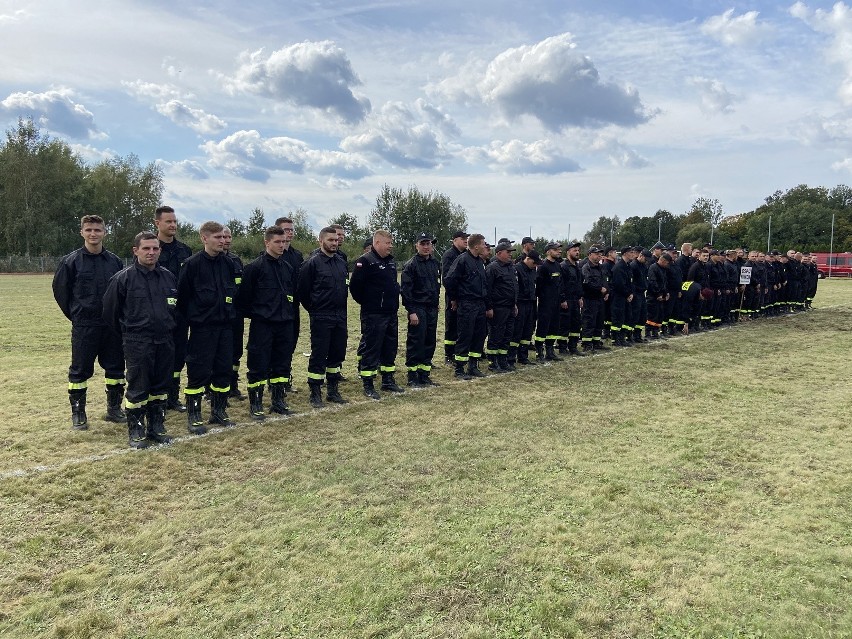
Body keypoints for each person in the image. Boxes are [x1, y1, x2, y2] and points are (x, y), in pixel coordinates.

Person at [102, 231, 177, 448]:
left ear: (160, 251)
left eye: (155, 248)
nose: (151, 252)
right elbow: (110, 314)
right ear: (135, 251)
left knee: (161, 386)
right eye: (146, 248)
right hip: (137, 341)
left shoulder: (168, 277)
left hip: (165, 340)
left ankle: (157, 426)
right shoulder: (122, 279)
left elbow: (174, 309)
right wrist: (130, 334)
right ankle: (136, 430)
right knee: (138, 387)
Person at [53, 214, 126, 430]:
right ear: (82, 232)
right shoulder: (70, 262)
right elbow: (61, 292)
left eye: (97, 230)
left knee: (115, 369)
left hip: (111, 327)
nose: (93, 234)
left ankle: (114, 409)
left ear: (105, 232)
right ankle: (78, 414)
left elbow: (121, 292)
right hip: (84, 326)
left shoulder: (114, 261)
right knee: (79, 370)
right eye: (89, 230)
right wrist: (77, 315)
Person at [177, 221, 241, 433]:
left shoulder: (229, 263)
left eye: (224, 237)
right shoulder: (192, 265)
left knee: (223, 370)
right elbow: (183, 298)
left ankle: (219, 411)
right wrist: (195, 319)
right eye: (218, 238)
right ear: (204, 239)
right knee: (198, 371)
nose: (223, 241)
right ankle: (194, 415)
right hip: (202, 329)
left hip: (225, 327)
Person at [238, 226, 304, 421]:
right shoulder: (254, 268)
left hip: (285, 324)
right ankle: (256, 404)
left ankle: (278, 401)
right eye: (278, 242)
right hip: (263, 325)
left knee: (282, 364)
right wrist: (261, 314)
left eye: (284, 242)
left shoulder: (288, 267)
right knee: (258, 365)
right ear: (267, 243)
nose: (282, 245)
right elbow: (244, 300)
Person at [296, 227, 350, 408]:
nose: (334, 243)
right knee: (319, 355)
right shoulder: (312, 263)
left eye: (336, 240)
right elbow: (303, 292)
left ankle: (333, 390)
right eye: (330, 240)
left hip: (340, 316)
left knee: (337, 354)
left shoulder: (341, 262)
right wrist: (315, 309)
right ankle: (315, 392)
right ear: (320, 241)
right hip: (321, 316)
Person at [349, 229, 403, 399]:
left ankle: (388, 380)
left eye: (391, 243)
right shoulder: (365, 261)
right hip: (373, 314)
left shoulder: (391, 262)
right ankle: (368, 383)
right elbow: (355, 288)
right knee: (372, 348)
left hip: (390, 313)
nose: (391, 246)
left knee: (390, 347)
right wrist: (369, 303)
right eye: (388, 243)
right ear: (377, 243)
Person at [154, 205, 193, 413]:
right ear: (157, 223)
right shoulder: (150, 248)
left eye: (175, 221)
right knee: (159, 356)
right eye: (168, 221)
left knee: (178, 356)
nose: (173, 225)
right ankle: (158, 396)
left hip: (180, 314)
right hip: (157, 313)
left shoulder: (184, 251)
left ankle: (173, 397)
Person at [443, 233, 491, 379]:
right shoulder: (462, 260)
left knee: (479, 336)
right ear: (476, 246)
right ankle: (459, 369)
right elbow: (449, 280)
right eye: (483, 244)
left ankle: (473, 366)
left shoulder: (479, 261)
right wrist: (454, 298)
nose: (485, 246)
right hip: (467, 304)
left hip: (480, 304)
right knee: (465, 336)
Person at [400, 232, 441, 387]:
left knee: (430, 341)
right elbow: (406, 291)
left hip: (431, 308)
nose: (426, 247)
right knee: (416, 341)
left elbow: (436, 286)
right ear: (416, 245)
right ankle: (412, 376)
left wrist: (436, 302)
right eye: (422, 244)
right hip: (417, 308)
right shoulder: (410, 265)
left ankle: (424, 374)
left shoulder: (435, 264)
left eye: (428, 244)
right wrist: (411, 311)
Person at [274, 217, 304, 393]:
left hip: (292, 307)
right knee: (275, 346)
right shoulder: (269, 255)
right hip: (274, 309)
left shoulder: (297, 255)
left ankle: (285, 379)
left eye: (292, 229)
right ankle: (273, 380)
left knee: (289, 344)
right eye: (286, 229)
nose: (290, 232)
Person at [485, 241, 518, 372]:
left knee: (507, 334)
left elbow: (514, 287)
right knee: (496, 334)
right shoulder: (492, 268)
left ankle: (503, 360)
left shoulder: (511, 267)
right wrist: (489, 307)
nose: (510, 254)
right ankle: (493, 362)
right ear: (499, 253)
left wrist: (514, 303)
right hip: (498, 307)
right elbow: (487, 289)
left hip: (510, 307)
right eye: (508, 252)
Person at [222, 227, 246, 401]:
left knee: (235, 351)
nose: (227, 239)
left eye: (229, 236)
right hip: (216, 315)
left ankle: (233, 385)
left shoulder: (236, 260)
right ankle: (213, 387)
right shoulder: (206, 260)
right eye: (223, 236)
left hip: (236, 313)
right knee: (217, 352)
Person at [509, 250, 541, 366]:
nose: (536, 265)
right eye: (534, 262)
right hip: (520, 303)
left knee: (527, 331)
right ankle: (511, 357)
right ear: (528, 259)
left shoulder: (532, 270)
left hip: (531, 303)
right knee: (516, 331)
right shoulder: (516, 269)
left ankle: (523, 356)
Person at [441, 231, 469, 363]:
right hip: (453, 296)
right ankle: (449, 354)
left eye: (467, 238)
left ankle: (459, 351)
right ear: (454, 240)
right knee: (451, 324)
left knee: (461, 325)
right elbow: (447, 278)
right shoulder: (449, 255)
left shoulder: (465, 255)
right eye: (463, 238)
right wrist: (453, 298)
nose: (466, 240)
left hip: (464, 296)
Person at [534, 242, 564, 362]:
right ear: (548, 251)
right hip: (546, 302)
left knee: (554, 327)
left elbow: (560, 284)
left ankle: (550, 351)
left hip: (556, 302)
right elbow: (539, 286)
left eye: (559, 250)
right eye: (556, 249)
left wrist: (561, 299)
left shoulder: (558, 266)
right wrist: (544, 298)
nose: (559, 251)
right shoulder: (543, 267)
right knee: (543, 326)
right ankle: (539, 352)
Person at [580, 246, 610, 352]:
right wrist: (599, 289)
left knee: (599, 321)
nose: (599, 255)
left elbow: (605, 280)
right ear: (590, 255)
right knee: (589, 321)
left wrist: (606, 291)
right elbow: (586, 283)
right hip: (590, 299)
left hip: (600, 299)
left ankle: (596, 342)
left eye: (600, 254)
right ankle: (587, 344)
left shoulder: (601, 267)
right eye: (597, 253)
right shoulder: (586, 267)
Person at [558, 242, 585, 356]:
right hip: (567, 299)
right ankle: (562, 347)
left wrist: (580, 297)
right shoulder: (564, 266)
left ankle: (573, 346)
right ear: (568, 252)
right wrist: (562, 299)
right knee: (564, 324)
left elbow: (579, 283)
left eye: (578, 250)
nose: (577, 252)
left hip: (575, 299)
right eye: (574, 250)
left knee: (576, 324)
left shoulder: (577, 266)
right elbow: (561, 284)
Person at [609, 246, 636, 347]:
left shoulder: (627, 266)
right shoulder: (619, 267)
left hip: (626, 296)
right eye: (631, 252)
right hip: (618, 296)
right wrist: (628, 294)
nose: (633, 254)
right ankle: (615, 339)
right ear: (625, 254)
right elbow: (619, 284)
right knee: (618, 317)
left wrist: (631, 293)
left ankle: (622, 337)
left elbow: (631, 282)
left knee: (626, 317)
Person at [645, 252, 671, 339]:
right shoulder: (653, 267)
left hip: (661, 296)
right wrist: (658, 294)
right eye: (667, 263)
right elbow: (653, 282)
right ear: (663, 261)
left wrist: (666, 292)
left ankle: (655, 332)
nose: (668, 265)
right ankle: (648, 332)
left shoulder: (663, 269)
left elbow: (664, 282)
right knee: (652, 315)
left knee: (660, 315)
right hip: (653, 296)